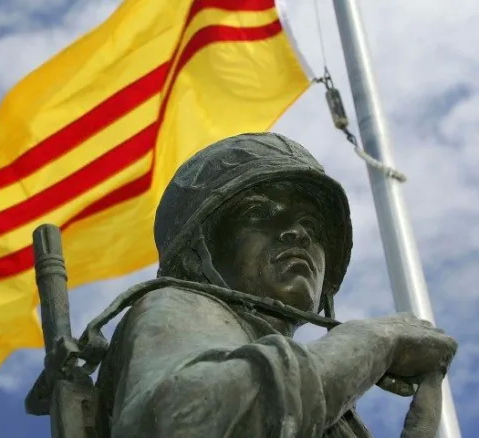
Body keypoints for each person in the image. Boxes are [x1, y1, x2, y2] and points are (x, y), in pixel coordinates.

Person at [92, 133, 457, 437]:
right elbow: (183, 421)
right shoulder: (177, 305)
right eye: (257, 213)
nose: (298, 233)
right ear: (196, 256)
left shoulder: (330, 404)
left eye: (311, 226)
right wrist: (374, 342)